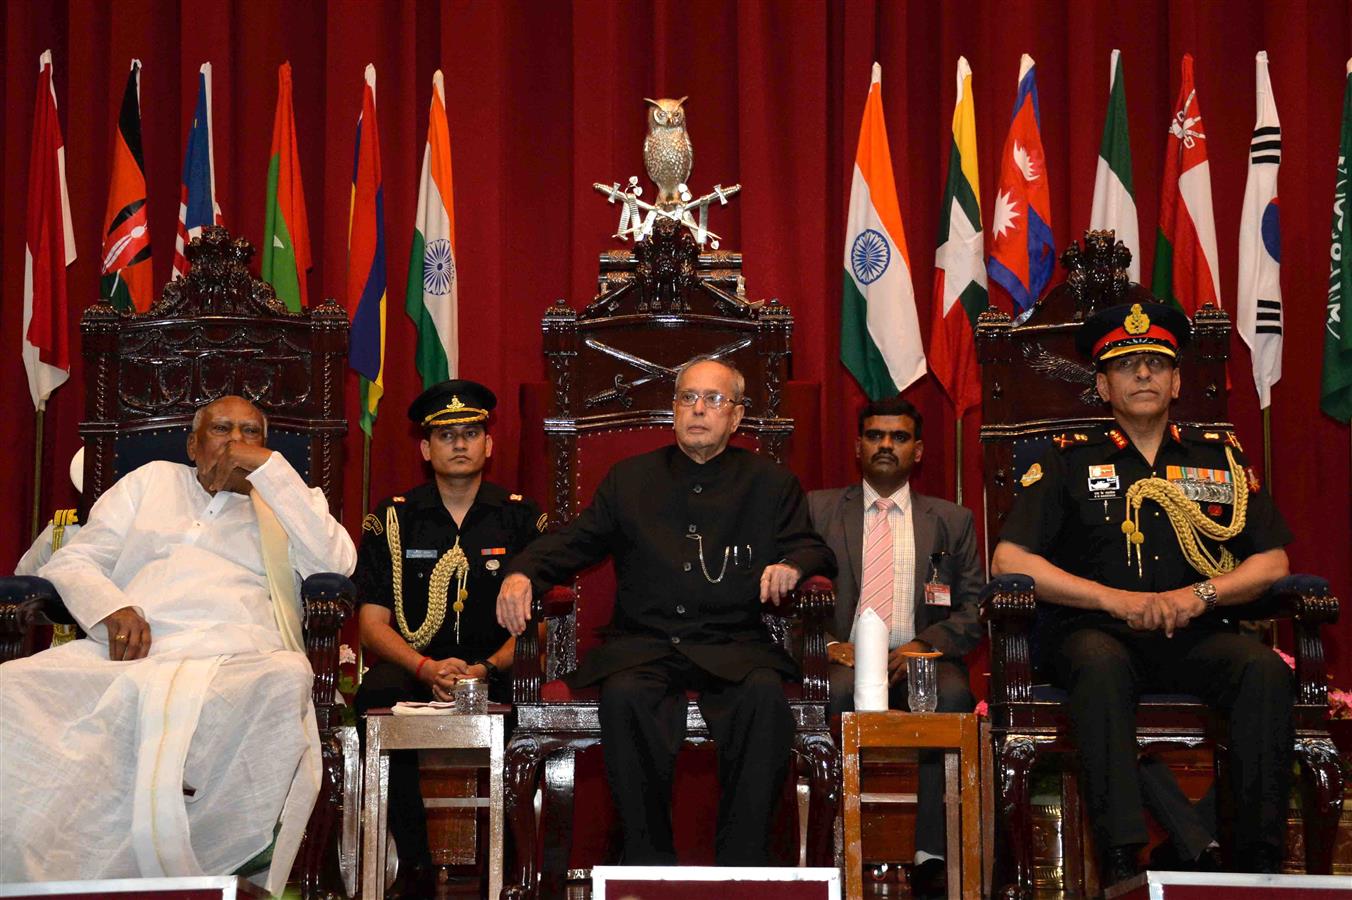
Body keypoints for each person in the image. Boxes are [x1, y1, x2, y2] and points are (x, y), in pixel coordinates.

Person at [0, 396, 356, 893]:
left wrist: (272, 473)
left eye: (252, 433)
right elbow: (75, 561)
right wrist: (111, 609)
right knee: (11, 687)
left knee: (285, 679)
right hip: (128, 651)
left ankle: (222, 871)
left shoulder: (290, 499)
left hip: (239, 655)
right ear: (192, 444)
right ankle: (41, 875)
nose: (237, 442)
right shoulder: (149, 483)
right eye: (222, 429)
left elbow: (336, 564)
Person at [991, 301, 1294, 886]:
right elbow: (1011, 558)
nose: (1144, 375)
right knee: (1100, 667)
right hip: (1097, 633)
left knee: (1264, 672)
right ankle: (1124, 860)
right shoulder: (1068, 460)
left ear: (1178, 381)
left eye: (1157, 364)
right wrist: (1112, 600)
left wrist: (1201, 594)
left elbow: (1274, 560)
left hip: (1196, 633)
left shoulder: (1219, 459)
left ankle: (1257, 864)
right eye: (1127, 366)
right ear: (1103, 386)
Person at [496, 356, 836, 866]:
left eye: (714, 400)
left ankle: (742, 868)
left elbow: (814, 549)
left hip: (732, 645)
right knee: (626, 697)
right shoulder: (630, 479)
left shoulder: (770, 483)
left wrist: (792, 563)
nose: (699, 409)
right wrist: (523, 572)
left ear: (737, 417)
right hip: (644, 645)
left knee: (763, 701)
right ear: (673, 410)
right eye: (687, 398)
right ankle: (645, 863)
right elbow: (574, 542)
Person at [353, 379, 544, 888]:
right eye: (445, 435)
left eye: (471, 432)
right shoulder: (391, 519)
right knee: (376, 693)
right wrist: (425, 668)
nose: (459, 443)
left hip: (495, 666)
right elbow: (372, 625)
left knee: (536, 703)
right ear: (425, 448)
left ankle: (514, 871)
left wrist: (482, 670)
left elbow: (540, 622)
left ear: (489, 443)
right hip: (417, 665)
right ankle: (415, 864)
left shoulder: (522, 518)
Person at [807, 395, 983, 899]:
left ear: (919, 450)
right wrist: (838, 648)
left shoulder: (953, 519)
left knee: (951, 699)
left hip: (925, 657)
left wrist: (922, 646)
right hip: (843, 658)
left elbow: (971, 612)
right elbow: (795, 600)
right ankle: (837, 848)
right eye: (875, 436)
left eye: (899, 437)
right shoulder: (817, 509)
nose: (887, 445)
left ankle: (931, 855)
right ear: (858, 445)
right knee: (832, 697)